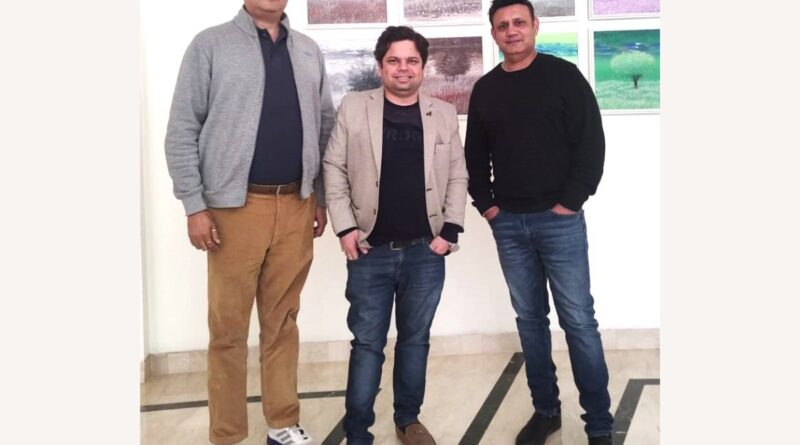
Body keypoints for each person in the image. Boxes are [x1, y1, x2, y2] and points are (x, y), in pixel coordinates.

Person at [164, 0, 334, 443]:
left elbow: (324, 125)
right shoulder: (210, 45)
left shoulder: (308, 50)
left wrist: (318, 195)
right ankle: (227, 433)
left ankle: (282, 423)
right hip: (233, 210)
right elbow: (182, 128)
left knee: (283, 322)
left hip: (296, 204)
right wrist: (194, 205)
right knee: (228, 330)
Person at [464, 1, 613, 444]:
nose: (511, 31)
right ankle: (546, 412)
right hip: (510, 225)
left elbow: (591, 146)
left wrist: (570, 203)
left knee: (579, 321)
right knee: (530, 322)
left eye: (519, 23)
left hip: (559, 223)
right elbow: (475, 157)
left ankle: (599, 425)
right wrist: (489, 207)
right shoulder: (486, 89)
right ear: (494, 34)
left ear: (535, 26)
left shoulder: (564, 77)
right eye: (502, 26)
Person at [323, 26, 468, 445]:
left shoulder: (443, 113)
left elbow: (457, 173)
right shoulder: (354, 107)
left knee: (415, 340)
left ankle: (408, 419)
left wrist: (450, 230)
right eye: (394, 61)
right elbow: (333, 167)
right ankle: (358, 432)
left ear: (423, 67)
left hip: (426, 251)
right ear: (380, 66)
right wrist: (345, 227)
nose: (403, 69)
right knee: (367, 344)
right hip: (370, 250)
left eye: (412, 61)